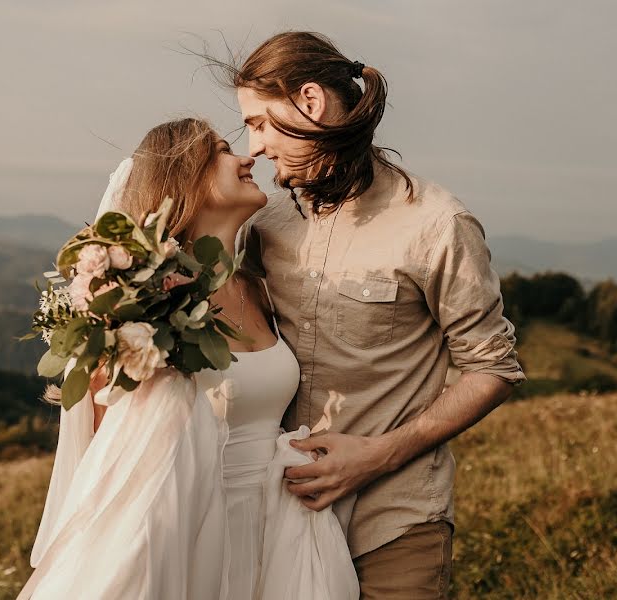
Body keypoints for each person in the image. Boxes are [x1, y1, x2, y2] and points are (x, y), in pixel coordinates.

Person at [222, 32, 527, 599]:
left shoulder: (437, 225)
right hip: (280, 515)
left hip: (395, 525)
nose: (254, 146)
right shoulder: (265, 226)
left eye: (260, 122)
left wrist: (377, 455)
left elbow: (493, 368)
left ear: (310, 103)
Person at [19, 118, 359, 599]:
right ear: (183, 178)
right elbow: (112, 463)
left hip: (276, 527)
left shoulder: (259, 288)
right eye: (222, 150)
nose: (248, 157)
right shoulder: (136, 307)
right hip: (193, 533)